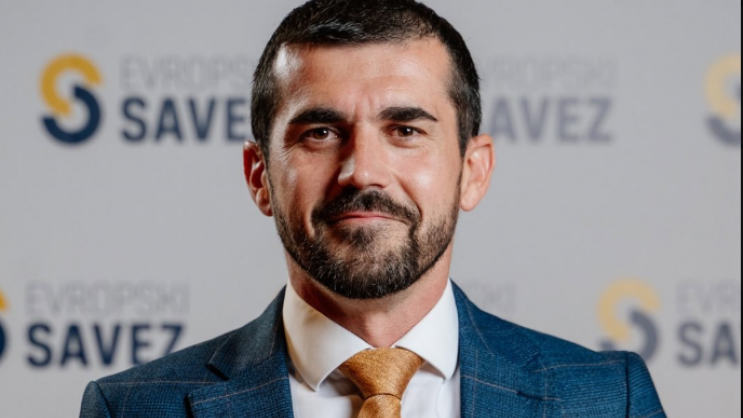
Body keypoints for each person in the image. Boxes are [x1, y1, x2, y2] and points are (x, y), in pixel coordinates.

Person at [80, 0, 667, 417]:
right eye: (320, 133)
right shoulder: (131, 408)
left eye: (405, 130)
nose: (362, 170)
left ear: (473, 170)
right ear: (260, 177)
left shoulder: (607, 400)